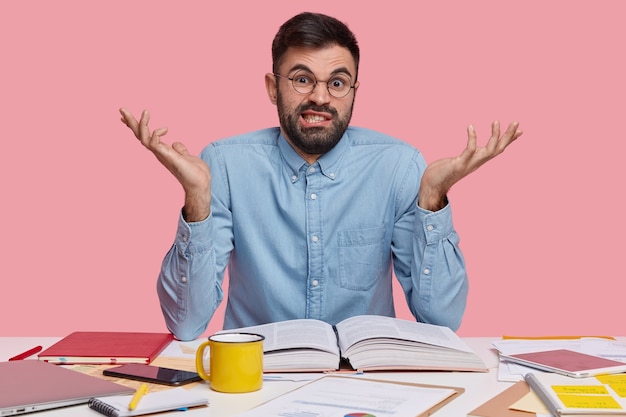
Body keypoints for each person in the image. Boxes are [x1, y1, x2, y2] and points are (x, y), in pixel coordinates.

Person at [120, 12, 522, 342]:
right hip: (255, 381)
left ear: (353, 90)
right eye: (301, 79)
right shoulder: (223, 165)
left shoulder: (399, 167)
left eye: (337, 82)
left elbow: (442, 321)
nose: (320, 97)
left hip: (364, 383)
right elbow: (186, 324)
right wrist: (197, 198)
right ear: (273, 88)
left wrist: (433, 197)